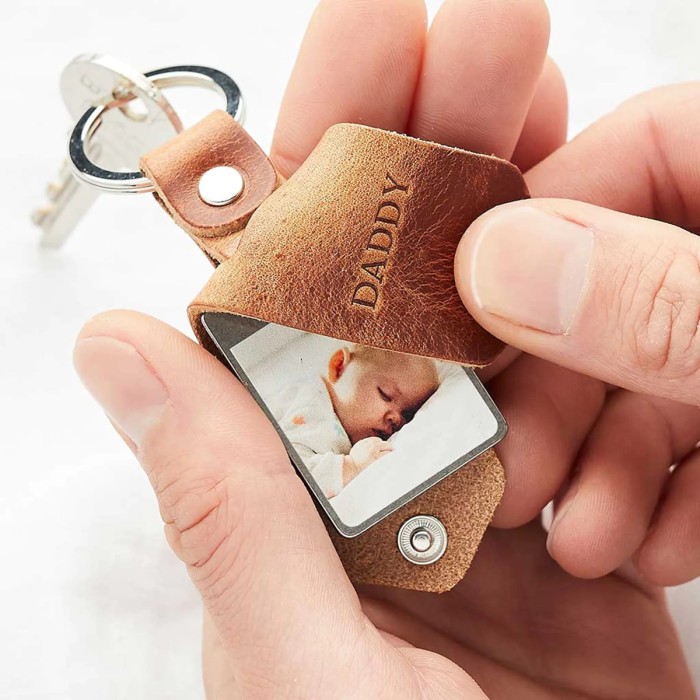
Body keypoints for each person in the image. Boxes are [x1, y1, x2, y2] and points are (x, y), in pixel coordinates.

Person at [72, 0, 700, 697]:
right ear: (337, 364)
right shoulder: (310, 423)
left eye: (408, 409)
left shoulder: (364, 426)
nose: (399, 419)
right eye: (390, 398)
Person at [266, 343, 438, 497]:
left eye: (407, 415)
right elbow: (287, 481)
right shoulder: (310, 404)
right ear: (339, 366)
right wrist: (351, 465)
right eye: (386, 395)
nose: (396, 419)